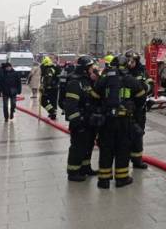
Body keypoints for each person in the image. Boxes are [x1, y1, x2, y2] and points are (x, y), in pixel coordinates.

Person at [94, 54, 148, 189]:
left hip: (106, 120)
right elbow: (142, 97)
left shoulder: (104, 78)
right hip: (124, 121)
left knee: (106, 149)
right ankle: (121, 178)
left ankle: (103, 180)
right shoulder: (130, 79)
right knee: (122, 148)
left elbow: (94, 96)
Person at [64, 56, 101, 182]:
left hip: (88, 121)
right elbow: (71, 106)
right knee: (78, 147)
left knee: (88, 145)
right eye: (91, 68)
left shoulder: (86, 81)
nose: (93, 69)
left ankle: (85, 167)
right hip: (80, 122)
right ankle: (73, 172)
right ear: (85, 69)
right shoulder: (75, 83)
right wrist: (77, 122)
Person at [125, 50, 153, 169]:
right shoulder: (123, 72)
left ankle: (137, 160)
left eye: (133, 61)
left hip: (139, 109)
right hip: (125, 110)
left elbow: (150, 84)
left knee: (138, 134)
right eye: (128, 61)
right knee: (125, 135)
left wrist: (144, 88)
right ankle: (123, 159)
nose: (131, 63)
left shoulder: (142, 71)